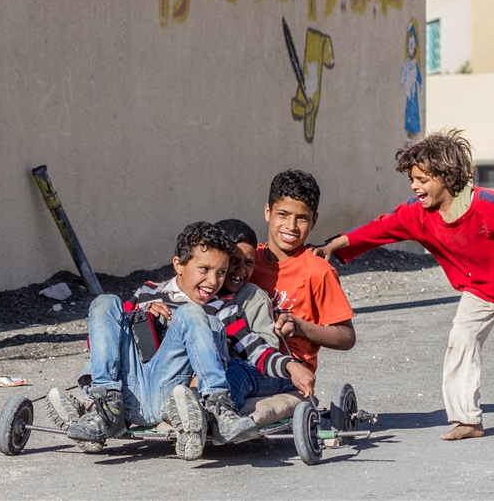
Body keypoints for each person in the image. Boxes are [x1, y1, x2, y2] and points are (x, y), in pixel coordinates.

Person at [313, 130, 494, 440]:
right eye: (412, 180)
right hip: (477, 290)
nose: (415, 186)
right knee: (461, 341)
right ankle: (467, 419)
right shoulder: (417, 214)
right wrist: (333, 246)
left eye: (422, 179)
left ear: (447, 176)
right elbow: (380, 229)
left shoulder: (485, 205)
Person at [59, 222, 258, 459]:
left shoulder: (221, 306)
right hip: (129, 390)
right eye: (204, 269)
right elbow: (99, 341)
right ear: (179, 265)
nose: (213, 281)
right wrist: (141, 318)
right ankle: (103, 409)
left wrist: (289, 367)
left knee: (193, 313)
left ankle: (217, 408)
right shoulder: (147, 292)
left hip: (173, 393)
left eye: (220, 273)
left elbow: (252, 347)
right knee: (104, 302)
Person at [248, 169, 357, 381]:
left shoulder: (318, 271)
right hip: (242, 357)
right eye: (283, 214)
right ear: (268, 212)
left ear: (314, 221)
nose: (291, 226)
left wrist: (299, 327)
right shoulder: (246, 263)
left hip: (288, 373)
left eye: (302, 218)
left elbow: (347, 337)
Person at [214, 218, 313, 410]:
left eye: (248, 263)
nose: (241, 270)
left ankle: (222, 413)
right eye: (234, 261)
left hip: (259, 368)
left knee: (234, 373)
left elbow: (267, 347)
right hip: (216, 370)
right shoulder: (204, 296)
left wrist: (230, 345)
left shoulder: (252, 297)